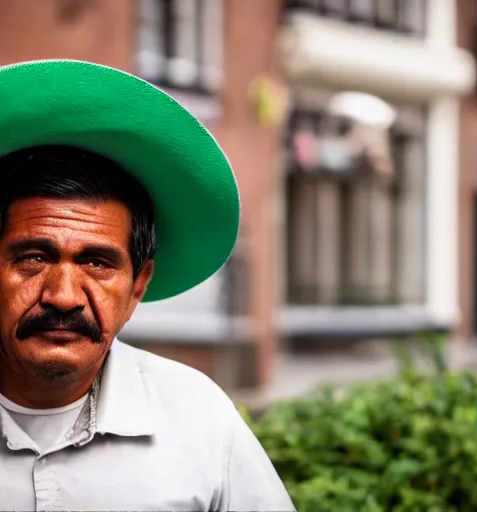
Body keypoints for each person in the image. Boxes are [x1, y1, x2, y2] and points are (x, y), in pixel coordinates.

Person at [0, 60, 295, 512]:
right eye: (34, 258)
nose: (62, 295)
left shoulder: (197, 416)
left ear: (138, 286)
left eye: (97, 263)